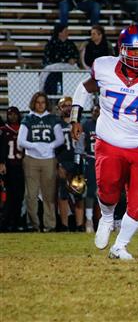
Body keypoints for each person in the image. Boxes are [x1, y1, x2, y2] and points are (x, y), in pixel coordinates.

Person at [69, 24, 138, 259]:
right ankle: (107, 219)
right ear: (121, 49)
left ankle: (120, 246)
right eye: (134, 51)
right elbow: (82, 89)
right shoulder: (105, 67)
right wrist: (75, 118)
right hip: (109, 142)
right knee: (108, 191)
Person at [18, 92, 64, 232]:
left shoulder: (52, 119)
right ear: (34, 103)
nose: (40, 105)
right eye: (38, 102)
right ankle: (33, 224)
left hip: (48, 159)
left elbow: (60, 139)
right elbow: (20, 141)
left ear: (46, 104)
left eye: (43, 102)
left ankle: (50, 225)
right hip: (31, 159)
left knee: (49, 194)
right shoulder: (28, 119)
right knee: (31, 194)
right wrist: (36, 146)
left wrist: (49, 146)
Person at [56, 97, 85, 231]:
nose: (67, 108)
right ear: (59, 108)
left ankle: (80, 225)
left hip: (76, 161)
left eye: (70, 105)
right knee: (63, 194)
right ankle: (64, 225)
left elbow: (82, 144)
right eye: (64, 105)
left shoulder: (80, 123)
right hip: (63, 161)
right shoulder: (56, 124)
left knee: (79, 193)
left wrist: (79, 163)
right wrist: (58, 163)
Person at [0, 107, 25, 232]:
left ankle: (16, 222)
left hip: (21, 165)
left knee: (19, 196)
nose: (12, 117)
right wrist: (1, 162)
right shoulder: (3, 130)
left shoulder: (24, 129)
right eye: (10, 114)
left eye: (15, 114)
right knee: (9, 196)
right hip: (9, 166)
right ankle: (6, 222)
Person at [82, 105, 100, 233]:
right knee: (91, 191)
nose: (96, 112)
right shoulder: (87, 124)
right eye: (94, 110)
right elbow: (81, 143)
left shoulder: (108, 124)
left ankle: (107, 220)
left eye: (98, 110)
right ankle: (89, 220)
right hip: (91, 159)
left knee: (107, 191)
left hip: (106, 160)